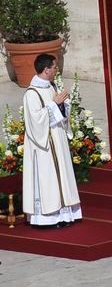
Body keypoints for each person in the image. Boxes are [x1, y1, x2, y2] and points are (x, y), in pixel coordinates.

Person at [21, 54, 82, 227]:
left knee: (61, 175)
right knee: (48, 179)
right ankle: (47, 218)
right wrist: (54, 105)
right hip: (43, 146)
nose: (57, 70)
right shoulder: (31, 94)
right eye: (54, 67)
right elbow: (35, 121)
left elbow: (57, 111)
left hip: (57, 140)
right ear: (46, 69)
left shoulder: (51, 86)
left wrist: (63, 105)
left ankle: (64, 215)